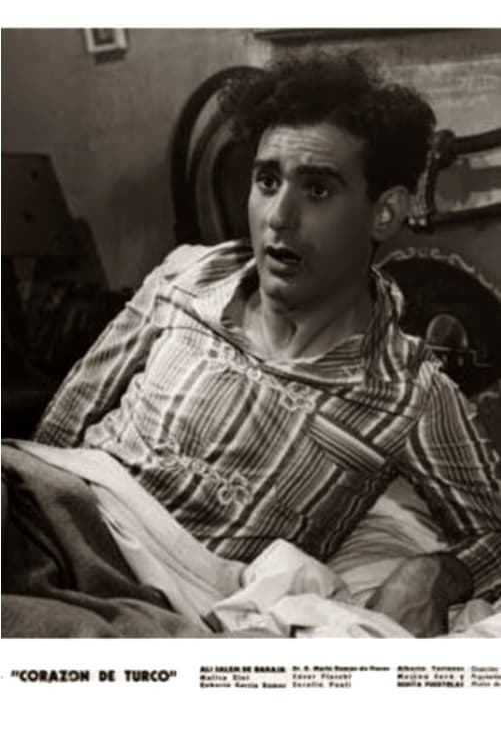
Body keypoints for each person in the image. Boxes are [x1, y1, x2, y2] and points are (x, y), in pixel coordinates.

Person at [4, 52, 501, 638]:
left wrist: (433, 574)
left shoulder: (410, 393)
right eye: (267, 181)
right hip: (49, 509)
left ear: (385, 213)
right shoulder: (187, 276)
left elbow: (493, 530)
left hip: (147, 598)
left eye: (317, 189)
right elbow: (62, 427)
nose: (279, 216)